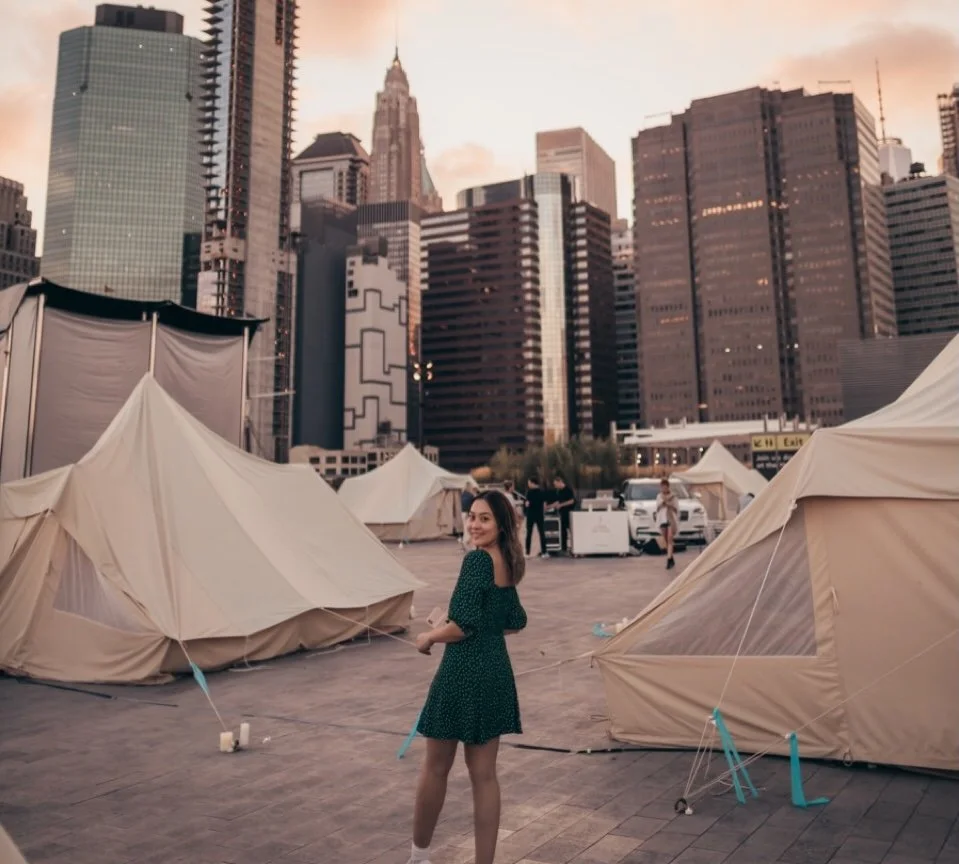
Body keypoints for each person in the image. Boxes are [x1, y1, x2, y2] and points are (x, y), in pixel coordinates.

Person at [408, 490, 528, 864]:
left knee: (435, 767)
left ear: (501, 524)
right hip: (495, 670)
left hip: (462, 672)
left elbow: (461, 627)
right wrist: (462, 624)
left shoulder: (476, 561)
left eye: (484, 518)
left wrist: (430, 635)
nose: (474, 524)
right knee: (485, 776)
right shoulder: (508, 562)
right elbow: (514, 621)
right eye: (472, 516)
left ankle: (418, 857)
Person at [547, 475, 576, 555]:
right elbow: (557, 502)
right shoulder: (559, 491)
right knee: (562, 531)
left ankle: (574, 547)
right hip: (562, 514)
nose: (555, 486)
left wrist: (561, 505)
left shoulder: (568, 490)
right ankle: (564, 548)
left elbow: (571, 501)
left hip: (569, 513)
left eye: (556, 484)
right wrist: (548, 507)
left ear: (560, 482)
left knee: (571, 530)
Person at [655, 477, 679, 570]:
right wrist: (662, 503)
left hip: (670, 519)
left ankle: (669, 560)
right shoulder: (659, 496)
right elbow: (657, 508)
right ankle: (671, 558)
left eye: (666, 487)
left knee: (669, 539)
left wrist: (669, 504)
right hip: (662, 519)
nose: (664, 488)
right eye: (662, 487)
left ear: (668, 487)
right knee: (665, 540)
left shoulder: (674, 497)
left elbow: (676, 509)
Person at [523, 476, 548, 558]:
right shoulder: (542, 491)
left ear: (533, 483)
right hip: (539, 514)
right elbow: (544, 505)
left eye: (529, 483)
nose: (528, 484)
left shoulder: (529, 492)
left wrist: (526, 506)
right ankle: (544, 552)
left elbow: (527, 504)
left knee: (529, 533)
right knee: (542, 533)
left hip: (530, 514)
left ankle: (527, 552)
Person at [460, 483, 477, 547]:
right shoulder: (471, 495)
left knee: (465, 526)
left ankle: (465, 540)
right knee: (468, 526)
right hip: (468, 512)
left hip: (462, 512)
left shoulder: (462, 494)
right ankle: (467, 540)